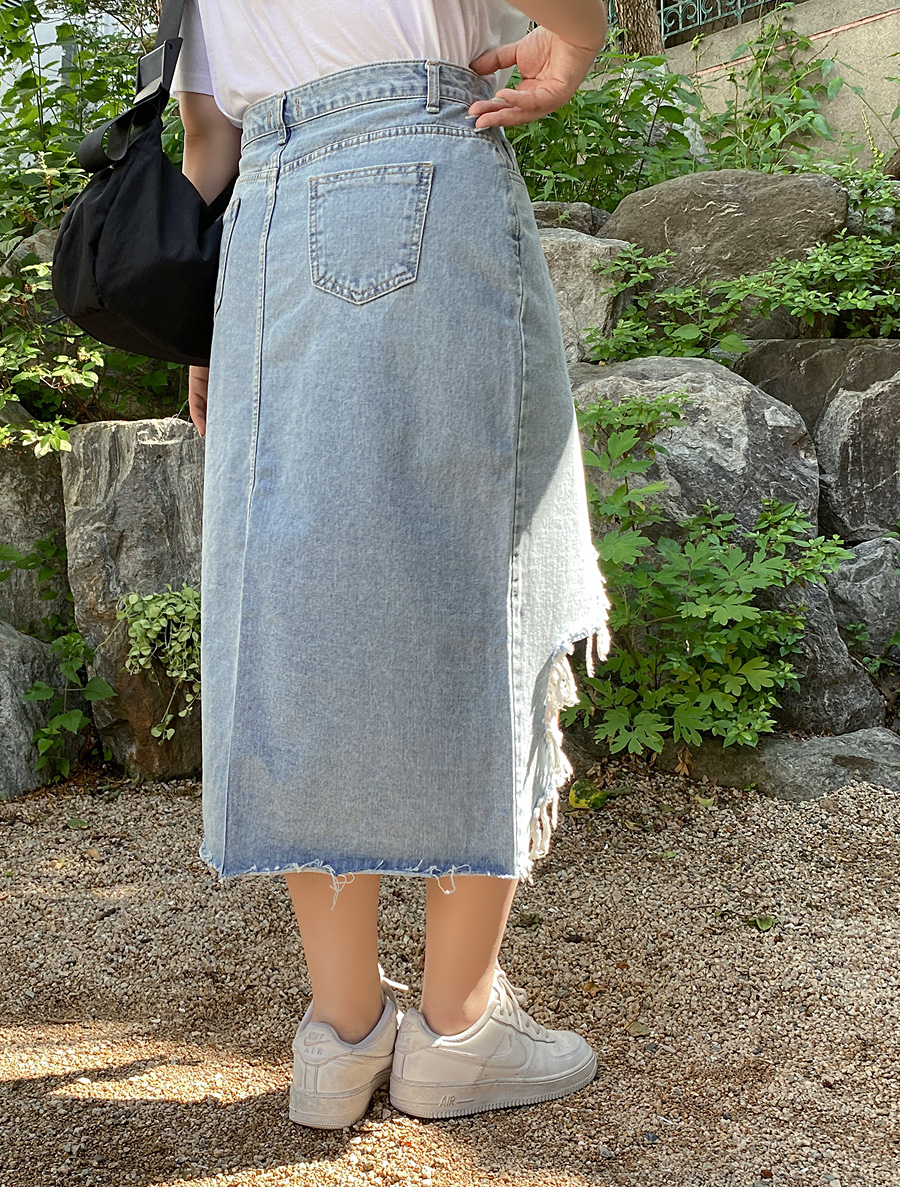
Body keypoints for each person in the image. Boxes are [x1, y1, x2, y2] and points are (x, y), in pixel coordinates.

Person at [172, 0, 612, 1128]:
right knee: (483, 576)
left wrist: (198, 325)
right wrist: (579, 41)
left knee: (299, 609)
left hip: (261, 225)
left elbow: (207, 134)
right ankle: (458, 1028)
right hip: (424, 163)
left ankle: (343, 1030)